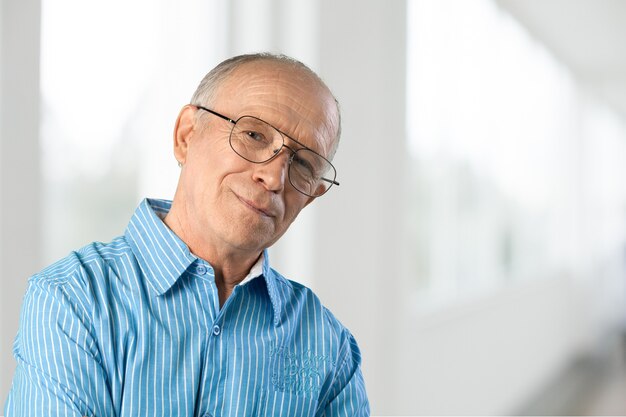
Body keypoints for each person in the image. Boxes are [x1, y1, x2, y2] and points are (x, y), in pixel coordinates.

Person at [4, 53, 369, 416]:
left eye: (302, 163)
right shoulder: (73, 301)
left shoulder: (329, 347)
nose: (273, 178)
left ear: (312, 196)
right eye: (254, 134)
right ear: (186, 135)